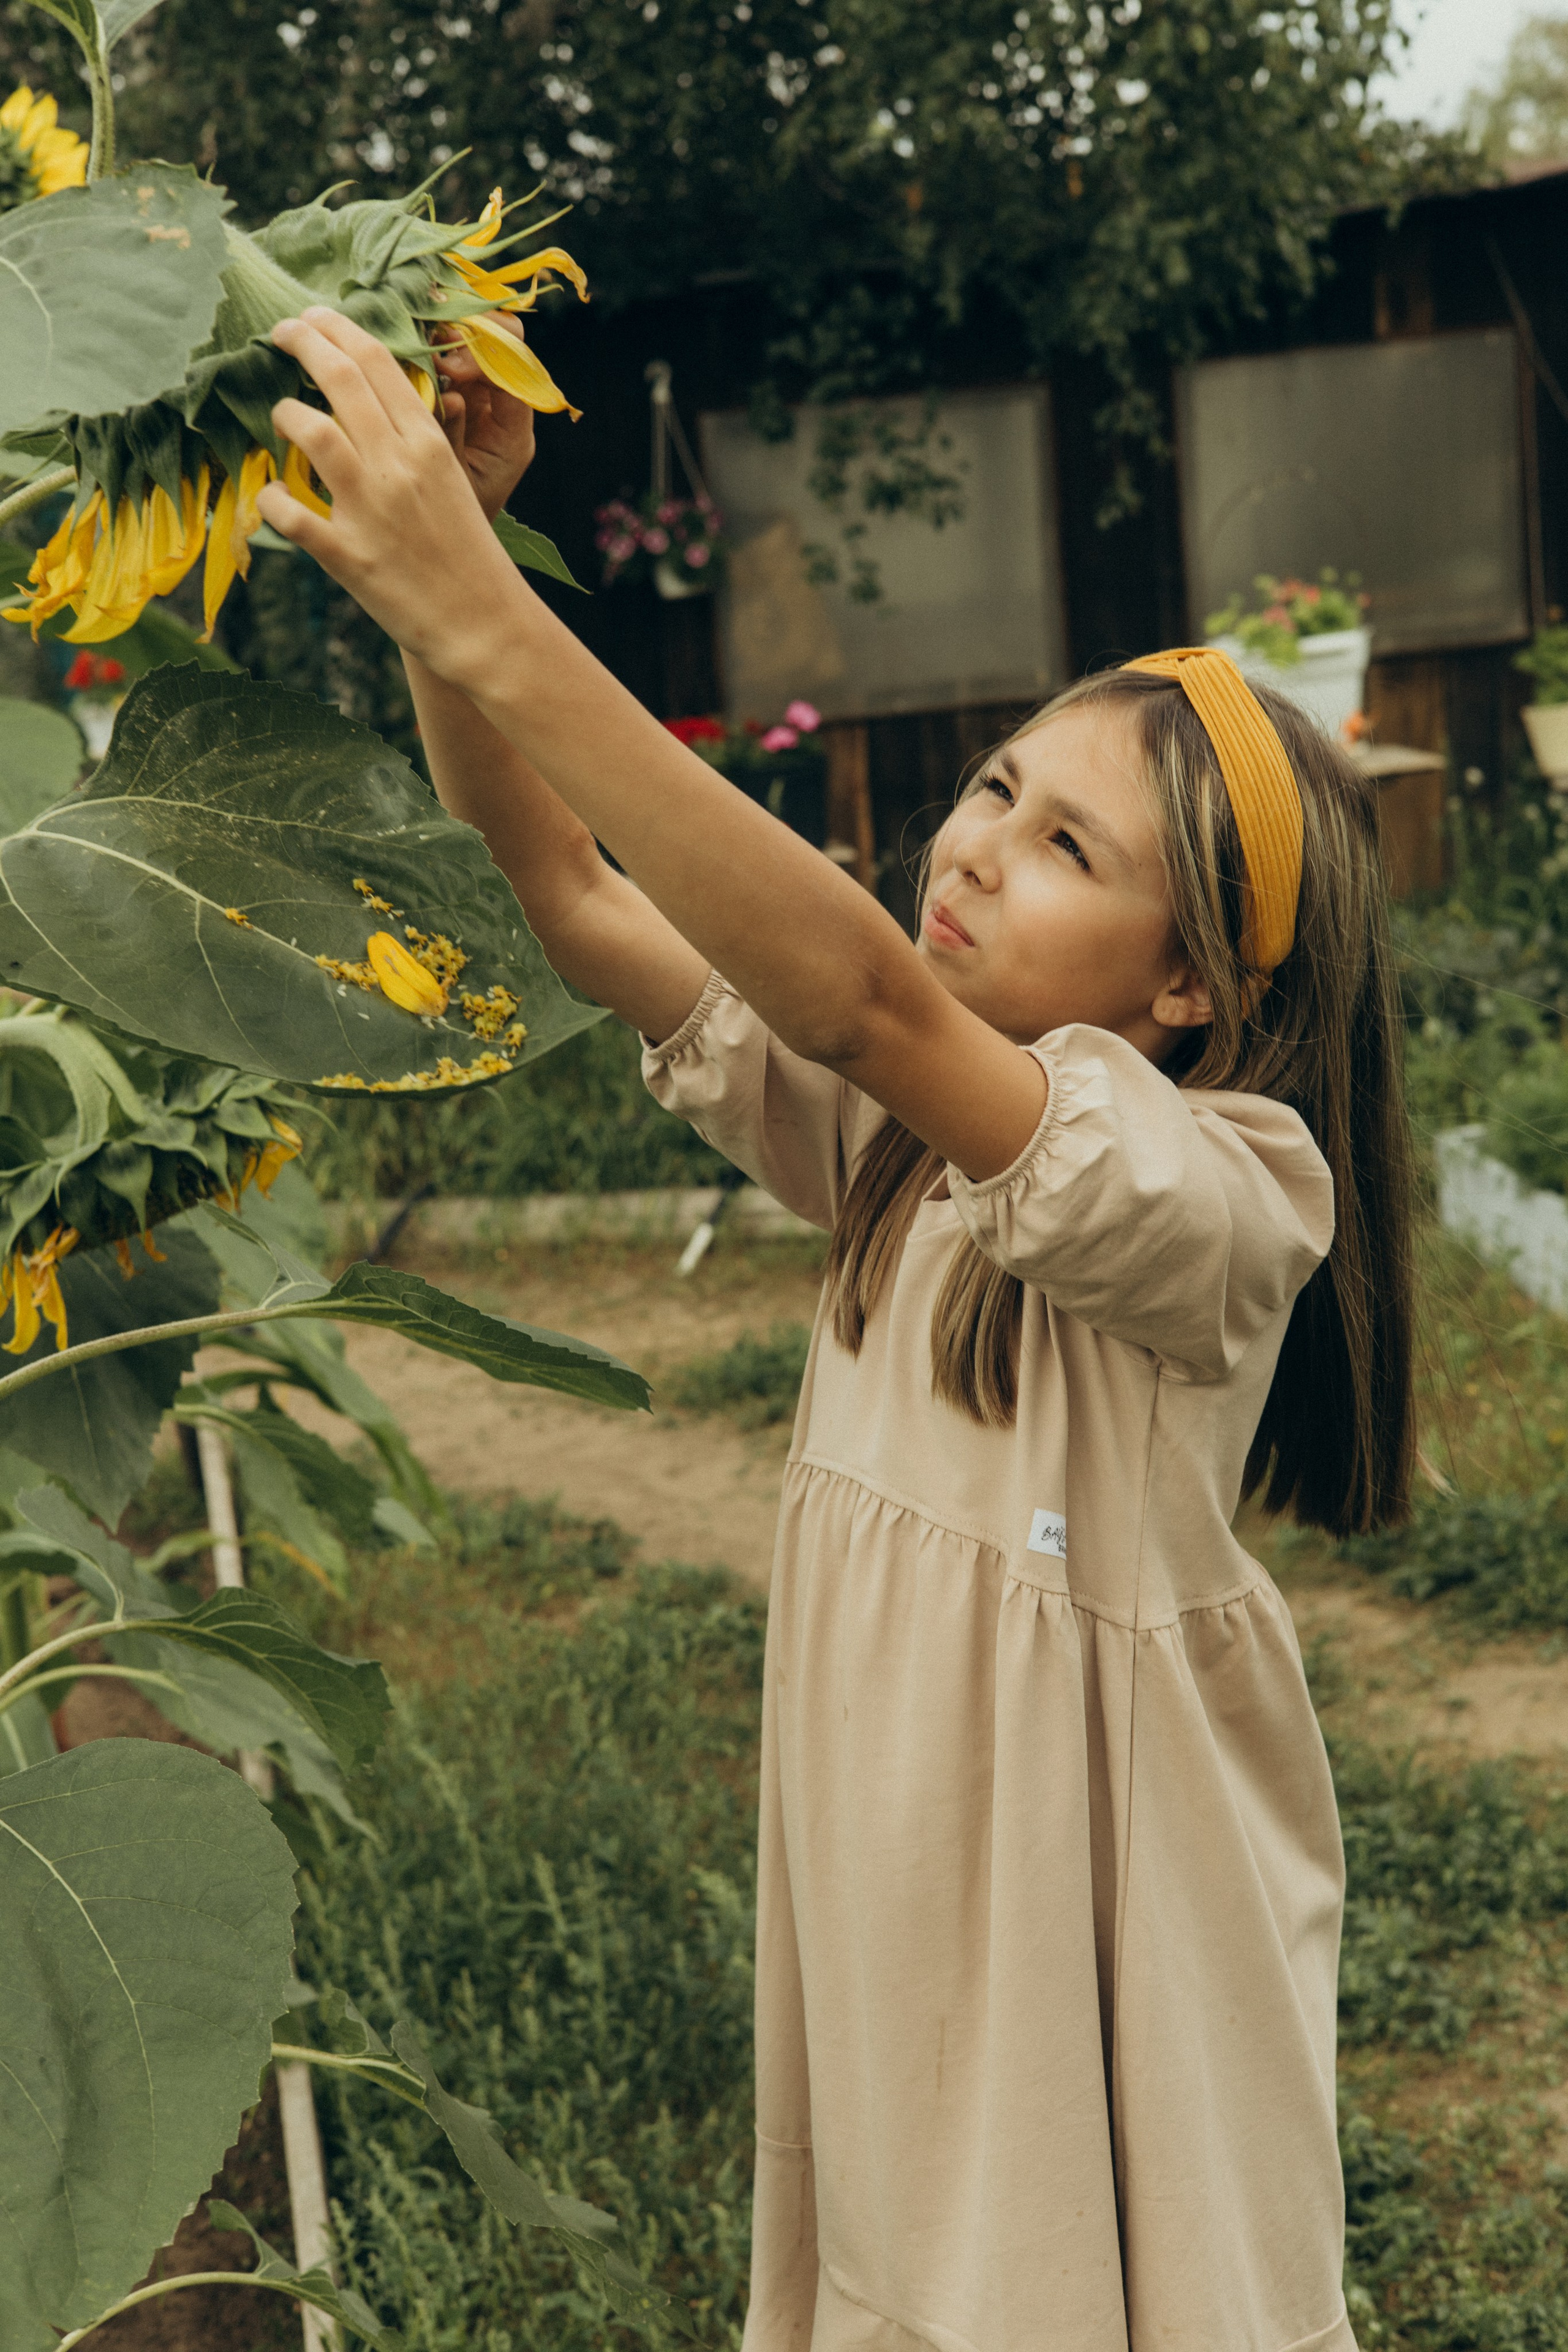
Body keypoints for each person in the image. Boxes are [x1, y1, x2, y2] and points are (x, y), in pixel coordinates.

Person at [258, 306, 1415, 2352]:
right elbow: (566, 888)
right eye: (997, 783)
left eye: (1071, 847)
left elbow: (860, 989)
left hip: (1102, 1902)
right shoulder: (909, 1137)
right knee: (913, 2269)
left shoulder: (1217, 1190)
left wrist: (496, 616)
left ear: (1189, 994)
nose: (976, 839)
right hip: (904, 1856)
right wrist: (451, 600)